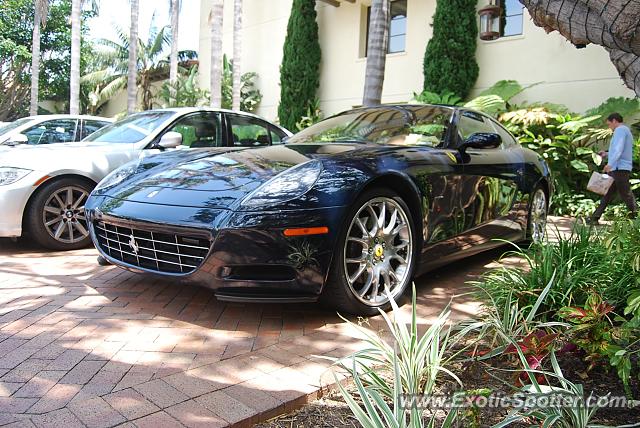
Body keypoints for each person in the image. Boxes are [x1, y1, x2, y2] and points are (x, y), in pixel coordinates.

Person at [589, 112, 637, 224]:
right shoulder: (625, 130)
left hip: (619, 167)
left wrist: (610, 163)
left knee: (626, 194)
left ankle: (636, 218)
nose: (609, 127)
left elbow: (618, 149)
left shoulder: (620, 130)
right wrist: (606, 154)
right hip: (619, 167)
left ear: (614, 121)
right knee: (608, 193)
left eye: (609, 124)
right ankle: (595, 217)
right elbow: (619, 150)